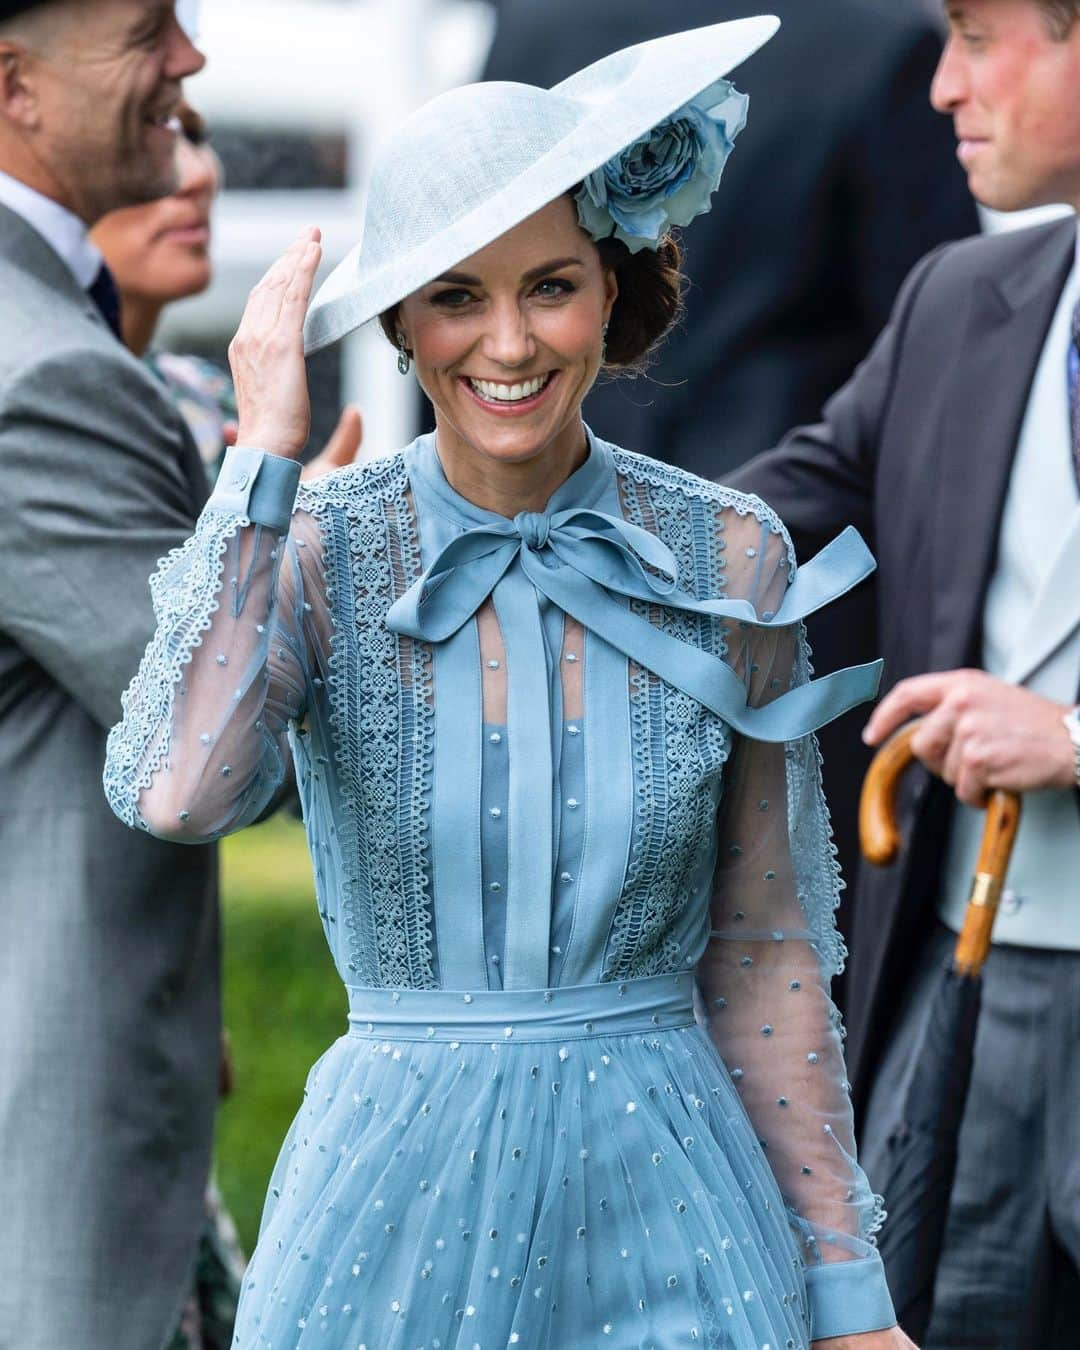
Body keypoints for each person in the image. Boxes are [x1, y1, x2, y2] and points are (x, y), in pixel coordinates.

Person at [106, 20, 913, 1349]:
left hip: (675, 1201)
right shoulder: (318, 550)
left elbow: (765, 951)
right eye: (457, 294)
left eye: (549, 285)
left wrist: (844, 1292)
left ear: (612, 285)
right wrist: (261, 460)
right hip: (391, 1216)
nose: (508, 342)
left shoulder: (730, 553)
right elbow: (184, 794)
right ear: (404, 318)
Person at [730, 1, 1080, 1344]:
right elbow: (761, 514)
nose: (943, 86)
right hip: (954, 989)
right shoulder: (959, 295)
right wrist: (489, 526)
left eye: (981, 37)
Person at [481, 0, 980, 921]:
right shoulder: (880, 49)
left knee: (562, 920)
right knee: (790, 937)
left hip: (547, 565)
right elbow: (936, 375)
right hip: (793, 594)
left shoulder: (533, 34)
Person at [0, 4, 216, 1348]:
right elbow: (208, 738)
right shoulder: (42, 373)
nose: (189, 64)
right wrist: (291, 520)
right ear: (14, 86)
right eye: (149, 30)